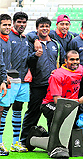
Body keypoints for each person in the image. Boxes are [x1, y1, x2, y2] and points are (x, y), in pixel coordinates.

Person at [25, 50, 83, 158]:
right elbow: (58, 101)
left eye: (77, 59)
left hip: (70, 105)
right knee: (61, 125)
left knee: (68, 141)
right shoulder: (57, 75)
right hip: (51, 105)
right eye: (72, 59)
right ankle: (37, 142)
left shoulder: (80, 69)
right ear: (65, 61)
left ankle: (37, 136)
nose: (75, 62)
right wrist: (79, 101)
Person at [20, 17, 65, 146]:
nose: (44, 28)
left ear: (50, 28)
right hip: (37, 85)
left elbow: (63, 63)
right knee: (33, 112)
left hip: (53, 87)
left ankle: (53, 141)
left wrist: (57, 73)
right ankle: (24, 141)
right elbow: (27, 61)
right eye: (41, 26)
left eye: (47, 26)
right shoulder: (31, 42)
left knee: (53, 114)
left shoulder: (56, 44)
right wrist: (35, 55)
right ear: (37, 28)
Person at [3, 12, 30, 153]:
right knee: (4, 110)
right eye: (19, 22)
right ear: (14, 22)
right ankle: (1, 142)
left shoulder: (26, 38)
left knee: (18, 109)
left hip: (23, 80)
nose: (21, 25)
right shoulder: (7, 37)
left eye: (24, 22)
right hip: (9, 80)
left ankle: (15, 142)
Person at [0, 14, 11, 156]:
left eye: (9, 25)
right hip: (1, 81)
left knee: (2, 110)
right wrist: (3, 80)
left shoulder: (6, 40)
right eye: (4, 25)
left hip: (3, 80)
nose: (7, 27)